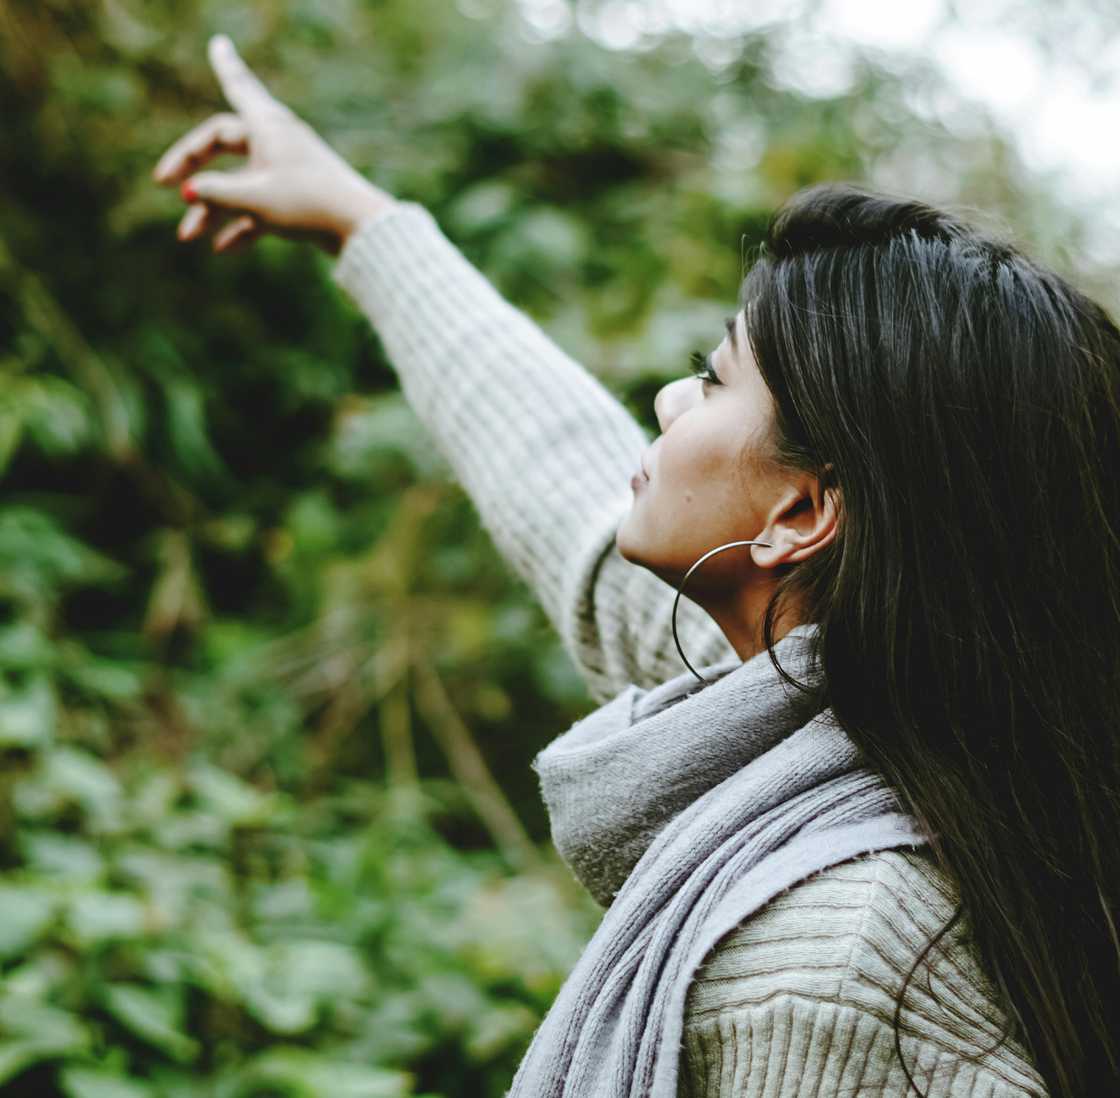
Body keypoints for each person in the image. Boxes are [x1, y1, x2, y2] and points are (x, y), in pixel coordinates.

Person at [149, 33, 1120, 1098]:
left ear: (801, 510)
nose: (665, 402)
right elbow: (552, 474)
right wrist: (360, 220)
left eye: (710, 380)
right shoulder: (846, 721)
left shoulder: (831, 965)